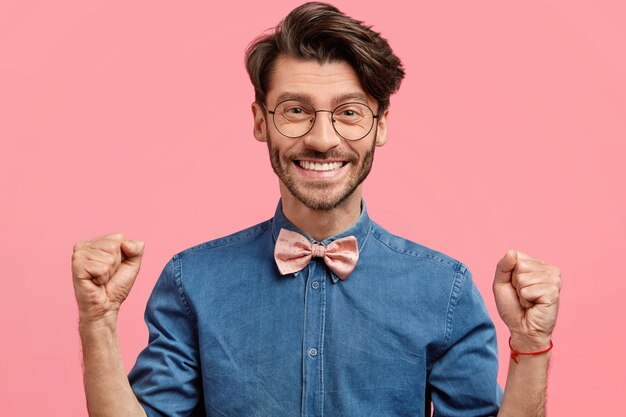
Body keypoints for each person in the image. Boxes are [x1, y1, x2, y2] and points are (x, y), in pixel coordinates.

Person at [71, 2, 561, 416]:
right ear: (261, 122)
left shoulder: (444, 289)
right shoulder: (191, 281)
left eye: (349, 112)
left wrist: (531, 346)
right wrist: (98, 321)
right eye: (295, 110)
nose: (322, 139)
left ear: (381, 125)